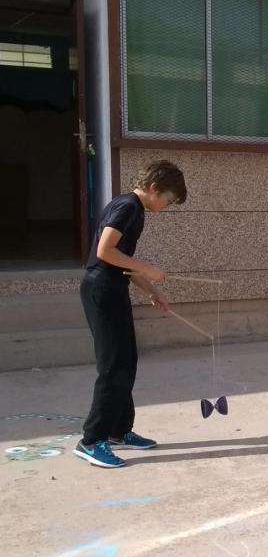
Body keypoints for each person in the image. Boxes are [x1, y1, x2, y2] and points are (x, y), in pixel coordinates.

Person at [76, 159, 187, 468]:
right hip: (101, 290)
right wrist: (148, 268)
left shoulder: (134, 209)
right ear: (154, 188)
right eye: (168, 199)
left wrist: (152, 290)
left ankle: (118, 430)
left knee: (126, 362)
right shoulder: (128, 207)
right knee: (113, 367)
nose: (167, 206)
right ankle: (91, 440)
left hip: (113, 287)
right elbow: (104, 252)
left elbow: (121, 261)